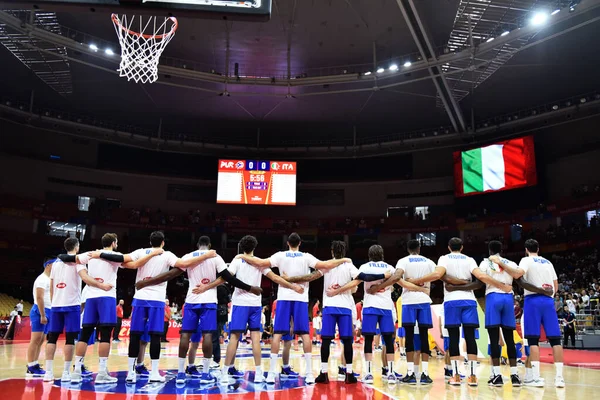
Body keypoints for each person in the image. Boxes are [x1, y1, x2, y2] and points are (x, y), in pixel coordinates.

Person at [135, 235, 261, 385]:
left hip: (191, 300)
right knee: (208, 336)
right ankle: (205, 374)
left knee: (185, 336)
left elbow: (171, 274)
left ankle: (181, 374)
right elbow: (229, 278)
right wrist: (250, 288)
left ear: (197, 245)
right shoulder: (215, 257)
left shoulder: (188, 256)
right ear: (209, 245)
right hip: (208, 301)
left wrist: (147, 282)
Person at [238, 233, 352, 385]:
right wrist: (344, 259)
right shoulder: (306, 257)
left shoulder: (280, 255)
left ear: (288, 244)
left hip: (284, 298)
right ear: (300, 243)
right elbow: (325, 266)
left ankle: (271, 373)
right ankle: (310, 373)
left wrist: (241, 256)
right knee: (305, 334)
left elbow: (260, 262)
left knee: (277, 334)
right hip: (300, 298)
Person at [408, 237, 513, 387]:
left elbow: (437, 275)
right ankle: (472, 376)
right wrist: (501, 285)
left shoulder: (444, 259)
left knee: (453, 338)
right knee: (470, 338)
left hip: (451, 302)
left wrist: (415, 280)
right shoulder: (469, 259)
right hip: (469, 301)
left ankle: (456, 376)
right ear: (462, 247)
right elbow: (482, 277)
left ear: (449, 247)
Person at [66, 233, 162, 385]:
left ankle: (76, 370)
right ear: (114, 243)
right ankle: (102, 372)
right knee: (105, 335)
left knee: (84, 334)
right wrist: (153, 253)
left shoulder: (91, 254)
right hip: (107, 297)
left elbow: (72, 259)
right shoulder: (116, 256)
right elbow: (135, 264)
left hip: (90, 297)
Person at [123, 231, 218, 384]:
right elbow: (184, 264)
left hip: (139, 298)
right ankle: (154, 373)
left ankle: (130, 373)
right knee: (155, 336)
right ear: (163, 243)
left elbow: (124, 263)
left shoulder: (140, 252)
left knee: (134, 336)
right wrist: (206, 255)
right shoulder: (167, 255)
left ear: (150, 241)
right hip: (157, 300)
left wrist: (141, 264)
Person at [326, 244, 426, 384]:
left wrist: (337, 290)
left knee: (368, 340)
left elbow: (354, 282)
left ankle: (368, 373)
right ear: (382, 255)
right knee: (388, 340)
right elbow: (402, 283)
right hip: (385, 308)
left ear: (369, 255)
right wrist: (421, 289)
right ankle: (390, 373)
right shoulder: (389, 268)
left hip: (370, 307)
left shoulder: (364, 267)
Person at [219, 235, 305, 385]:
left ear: (242, 247)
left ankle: (225, 373)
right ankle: (258, 373)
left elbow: (228, 277)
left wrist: (210, 285)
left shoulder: (237, 260)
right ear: (254, 247)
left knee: (234, 338)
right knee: (255, 340)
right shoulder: (260, 262)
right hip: (255, 304)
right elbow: (276, 278)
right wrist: (293, 286)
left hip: (240, 303)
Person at [491, 239, 564, 387]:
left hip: (533, 300)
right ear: (538, 248)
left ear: (526, 249)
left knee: (533, 340)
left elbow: (517, 274)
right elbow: (555, 285)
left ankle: (535, 378)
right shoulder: (548, 262)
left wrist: (501, 262)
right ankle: (559, 378)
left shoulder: (526, 260)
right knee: (555, 340)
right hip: (549, 301)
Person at [449, 241, 522, 387]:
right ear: (501, 249)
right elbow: (518, 275)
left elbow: (481, 280)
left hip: (493, 297)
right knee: (509, 338)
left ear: (489, 250)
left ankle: (497, 375)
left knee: (494, 338)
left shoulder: (484, 263)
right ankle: (514, 375)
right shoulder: (511, 262)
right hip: (508, 297)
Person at [43, 238, 113, 382]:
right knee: (70, 339)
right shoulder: (78, 261)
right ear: (77, 247)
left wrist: (54, 301)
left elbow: (51, 285)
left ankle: (48, 372)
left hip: (56, 304)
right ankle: (66, 372)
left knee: (52, 338)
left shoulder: (55, 264)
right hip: (72, 305)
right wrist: (102, 286)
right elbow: (86, 277)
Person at [367, 239, 435, 385]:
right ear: (419, 248)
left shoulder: (403, 261)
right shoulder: (429, 262)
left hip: (409, 301)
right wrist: (422, 286)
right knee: (424, 336)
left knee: (409, 337)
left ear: (408, 249)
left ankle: (410, 373)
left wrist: (379, 287)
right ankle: (425, 373)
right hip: (424, 300)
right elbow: (436, 275)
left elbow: (396, 277)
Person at [26, 257, 54, 378]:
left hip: (48, 310)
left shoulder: (49, 279)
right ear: (48, 265)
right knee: (35, 339)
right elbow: (39, 298)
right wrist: (42, 314)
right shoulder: (41, 279)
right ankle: (31, 366)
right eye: (54, 265)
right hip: (40, 310)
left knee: (41, 339)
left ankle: (35, 363)